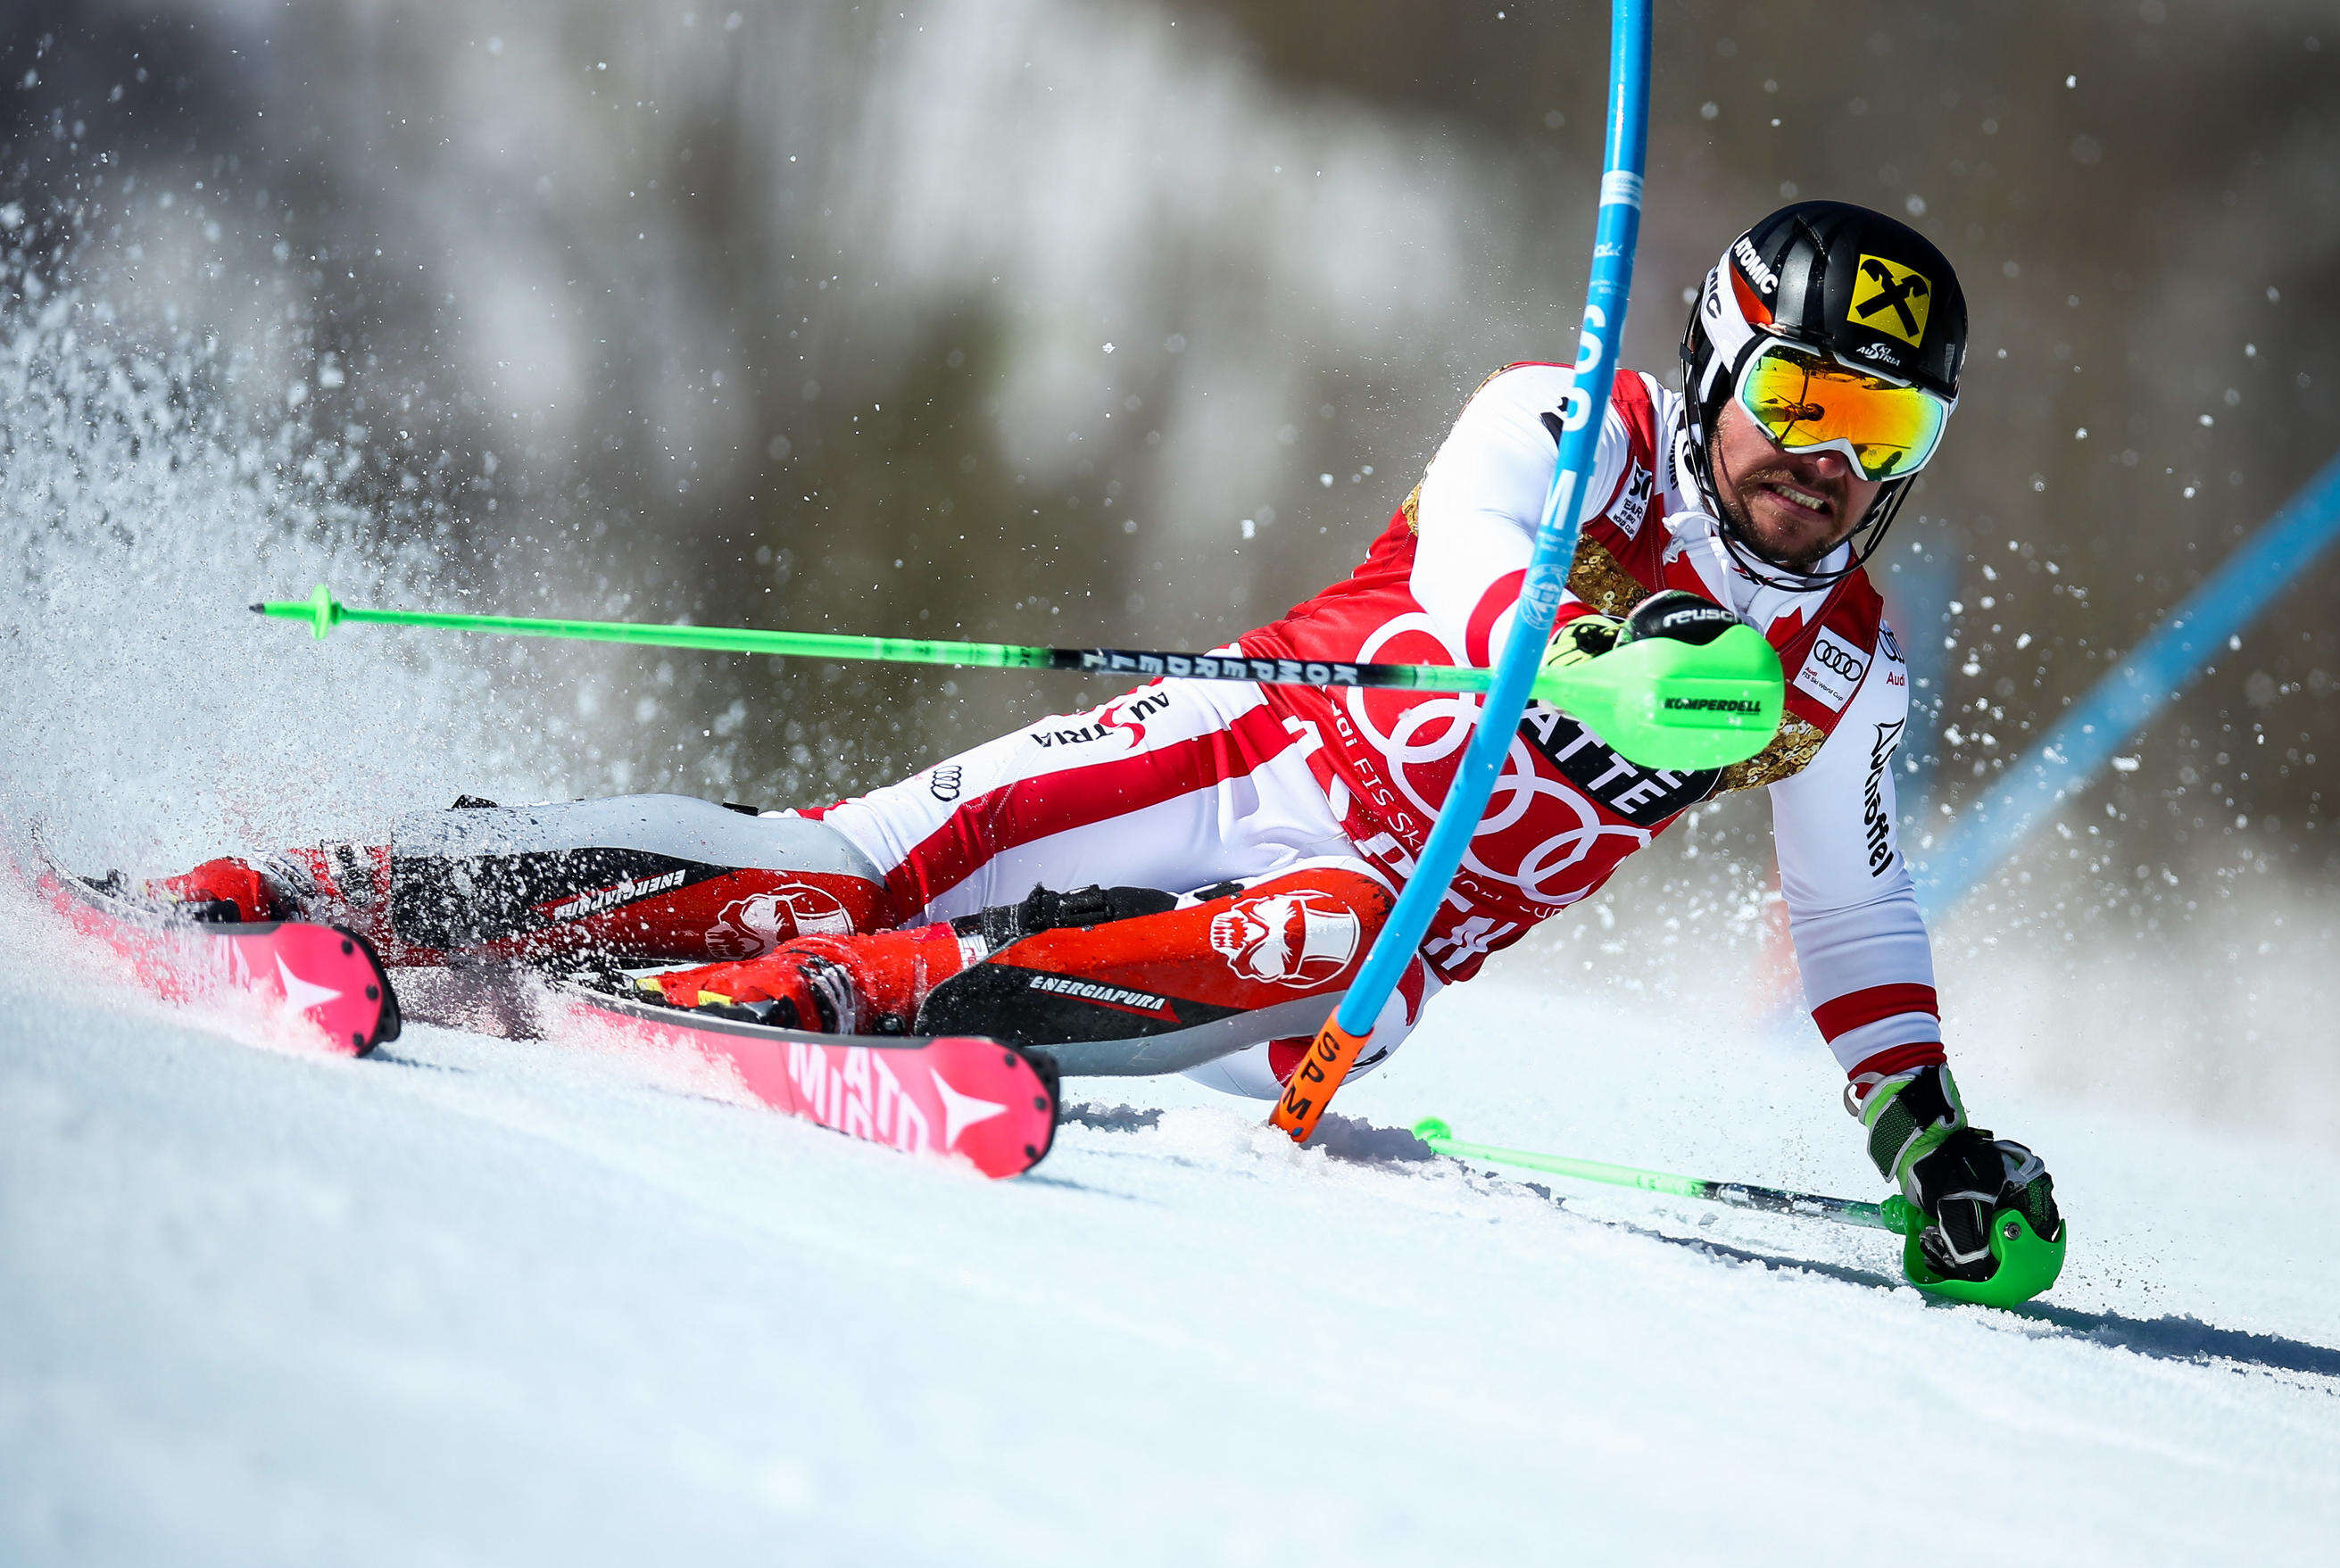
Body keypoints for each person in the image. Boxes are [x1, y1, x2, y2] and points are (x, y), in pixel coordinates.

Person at [154, 202, 2058, 1280]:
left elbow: (1856, 926)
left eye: (1878, 436)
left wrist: (1924, 1139)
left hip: (1331, 958)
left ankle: (856, 1008)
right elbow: (1475, 574)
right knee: (837, 858)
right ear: (1724, 365)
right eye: (1800, 397)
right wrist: (1594, 659)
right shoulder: (1580, 428)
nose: (1818, 463)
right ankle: (342, 889)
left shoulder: (1850, 666)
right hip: (1240, 756)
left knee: (1335, 933)